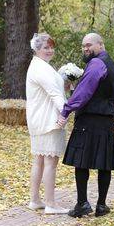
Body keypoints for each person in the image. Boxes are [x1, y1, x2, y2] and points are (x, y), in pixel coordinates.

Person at [57, 33, 114, 218]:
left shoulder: (96, 64)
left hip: (90, 119)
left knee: (82, 162)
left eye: (89, 45)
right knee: (104, 163)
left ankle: (82, 204)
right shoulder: (110, 64)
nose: (85, 48)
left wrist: (66, 110)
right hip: (106, 119)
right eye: (83, 45)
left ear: (101, 44)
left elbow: (84, 93)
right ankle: (101, 205)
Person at [25, 33, 69, 214]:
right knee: (50, 162)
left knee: (40, 161)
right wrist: (65, 113)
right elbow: (55, 95)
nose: (50, 50)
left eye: (51, 47)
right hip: (49, 120)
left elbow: (54, 89)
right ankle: (51, 203)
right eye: (46, 48)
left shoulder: (39, 66)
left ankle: (35, 199)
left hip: (39, 119)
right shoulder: (41, 68)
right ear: (37, 49)